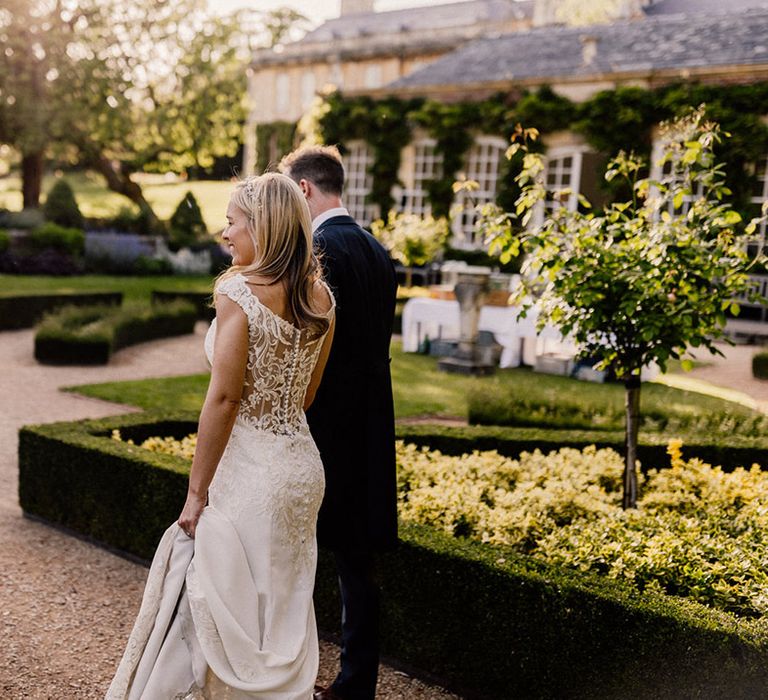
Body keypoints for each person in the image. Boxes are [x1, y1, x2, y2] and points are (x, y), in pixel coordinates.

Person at [106, 172, 336, 700]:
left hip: (251, 473)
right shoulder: (320, 297)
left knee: (219, 602)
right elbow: (304, 398)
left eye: (233, 222)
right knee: (275, 613)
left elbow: (225, 399)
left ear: (265, 227)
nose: (225, 233)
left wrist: (195, 491)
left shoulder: (238, 290)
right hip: (301, 470)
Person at [281, 146, 399, 700]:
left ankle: (285, 669)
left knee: (297, 548)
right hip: (374, 421)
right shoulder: (378, 249)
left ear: (304, 190)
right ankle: (357, 681)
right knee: (358, 559)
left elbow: (307, 343)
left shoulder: (318, 248)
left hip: (326, 422)